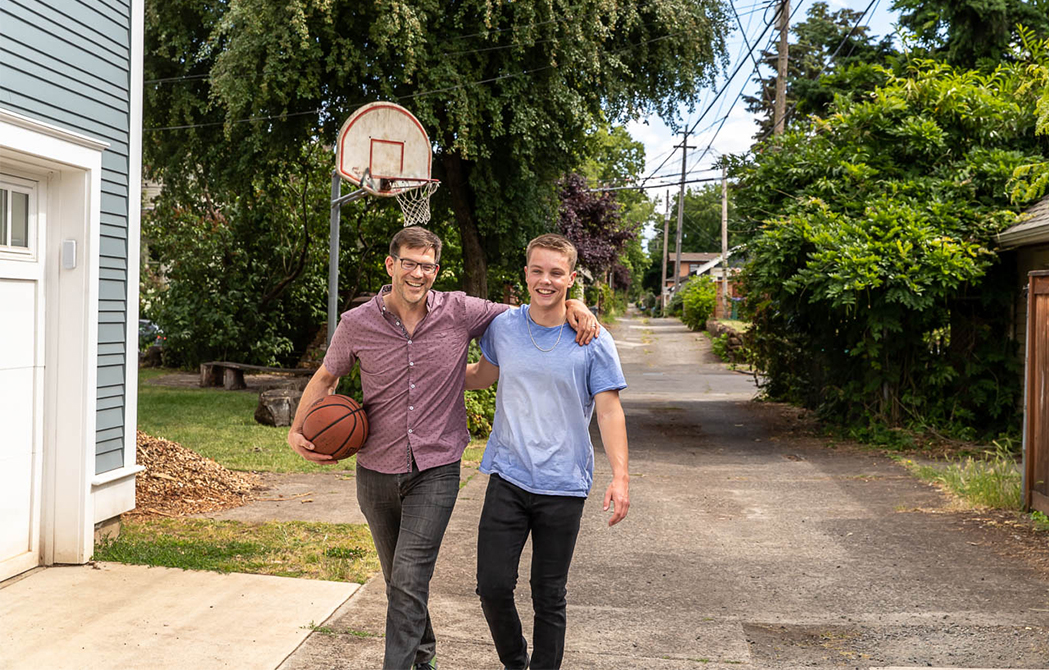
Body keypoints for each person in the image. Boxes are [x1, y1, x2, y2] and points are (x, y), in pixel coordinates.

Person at [286, 226, 599, 670]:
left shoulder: (460, 310)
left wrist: (573, 303)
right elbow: (326, 377)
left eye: (427, 265)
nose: (418, 273)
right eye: (409, 263)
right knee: (398, 578)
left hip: (437, 467)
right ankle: (423, 653)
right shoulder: (356, 323)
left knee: (411, 575)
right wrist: (296, 430)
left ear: (437, 270)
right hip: (375, 467)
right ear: (391, 265)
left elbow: (533, 306)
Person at [465, 233, 629, 670]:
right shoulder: (504, 327)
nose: (546, 280)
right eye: (537, 270)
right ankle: (516, 662)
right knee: (492, 586)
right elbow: (482, 375)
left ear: (571, 279)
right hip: (509, 476)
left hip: (564, 484)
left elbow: (610, 412)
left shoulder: (593, 340)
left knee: (548, 594)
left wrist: (620, 477)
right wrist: (430, 369)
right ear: (525, 274)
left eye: (556, 273)